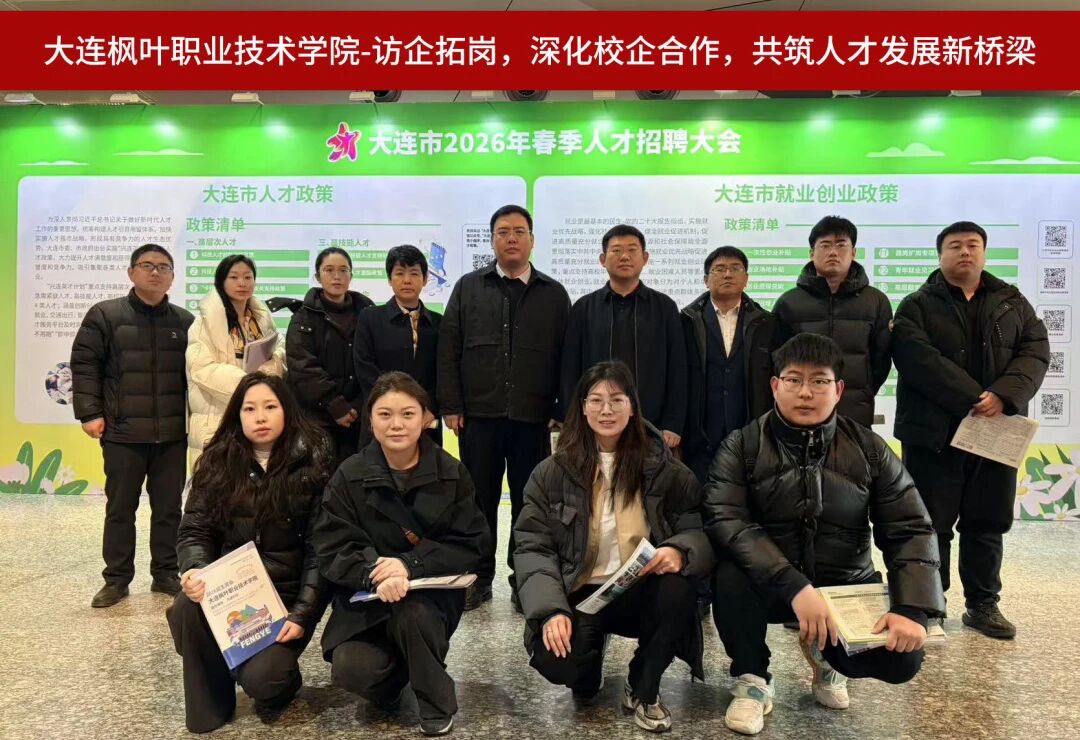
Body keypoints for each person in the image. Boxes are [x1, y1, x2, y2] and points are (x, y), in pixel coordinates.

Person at [703, 333, 945, 736]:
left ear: (838, 390)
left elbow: (909, 526)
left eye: (819, 381)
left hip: (844, 584)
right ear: (775, 385)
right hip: (771, 585)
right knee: (729, 575)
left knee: (902, 661)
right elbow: (726, 520)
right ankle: (753, 678)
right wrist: (795, 585)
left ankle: (828, 660)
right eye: (794, 380)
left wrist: (913, 608)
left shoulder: (869, 448)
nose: (805, 392)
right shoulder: (742, 445)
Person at [514, 361, 714, 733]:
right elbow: (532, 547)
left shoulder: (665, 469)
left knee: (678, 592)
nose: (606, 410)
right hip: (579, 592)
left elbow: (698, 530)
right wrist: (550, 610)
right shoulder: (552, 472)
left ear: (632, 407)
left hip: (638, 587)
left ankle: (644, 685)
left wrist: (679, 550)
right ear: (583, 407)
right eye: (596, 400)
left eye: (617, 400)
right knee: (564, 666)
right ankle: (589, 663)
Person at [892, 221, 1048, 640]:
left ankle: (983, 604)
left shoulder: (1012, 302)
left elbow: (1035, 352)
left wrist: (1003, 396)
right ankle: (930, 604)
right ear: (940, 254)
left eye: (973, 245)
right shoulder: (916, 305)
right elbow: (916, 357)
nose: (965, 252)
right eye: (955, 245)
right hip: (934, 434)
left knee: (987, 521)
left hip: (996, 431)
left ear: (984, 253)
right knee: (930, 523)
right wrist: (974, 398)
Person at [314, 372, 489, 737]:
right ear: (370, 420)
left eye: (408, 414)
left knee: (413, 613)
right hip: (368, 597)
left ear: (426, 418)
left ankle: (436, 704)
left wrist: (408, 565)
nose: (396, 424)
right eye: (385, 414)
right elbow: (333, 545)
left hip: (430, 598)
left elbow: (470, 543)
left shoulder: (450, 473)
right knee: (351, 669)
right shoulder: (349, 475)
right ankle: (404, 674)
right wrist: (374, 573)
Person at [167, 373, 332, 734]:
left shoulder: (314, 463)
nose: (260, 417)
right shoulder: (217, 461)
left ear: (286, 410)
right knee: (185, 607)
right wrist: (194, 569)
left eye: (270, 407)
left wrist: (302, 615)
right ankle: (210, 707)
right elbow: (195, 530)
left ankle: (275, 676)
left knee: (267, 681)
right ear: (237, 415)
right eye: (250, 409)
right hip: (230, 595)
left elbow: (319, 551)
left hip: (282, 603)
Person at [437, 204, 571, 611]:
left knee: (531, 502)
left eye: (519, 231)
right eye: (503, 232)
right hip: (479, 417)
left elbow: (566, 355)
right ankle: (478, 578)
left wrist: (562, 406)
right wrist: (451, 405)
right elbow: (449, 349)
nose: (511, 238)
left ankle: (524, 577)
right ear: (492, 240)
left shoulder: (553, 294)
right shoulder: (468, 287)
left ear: (532, 239)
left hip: (533, 418)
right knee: (478, 499)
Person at [70, 243, 194, 608]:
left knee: (169, 509)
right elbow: (85, 365)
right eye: (147, 265)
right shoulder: (105, 315)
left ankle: (166, 573)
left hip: (172, 435)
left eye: (163, 267)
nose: (155, 272)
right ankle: (116, 579)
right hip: (122, 433)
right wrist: (89, 413)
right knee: (120, 509)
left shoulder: (185, 322)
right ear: (131, 272)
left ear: (172, 276)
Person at [560, 224, 687, 448]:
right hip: (595, 424)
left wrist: (673, 423)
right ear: (602, 259)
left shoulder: (664, 307)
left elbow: (678, 368)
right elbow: (570, 369)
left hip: (652, 425)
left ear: (645, 258)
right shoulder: (584, 308)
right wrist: (570, 419)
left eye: (632, 250)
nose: (625, 257)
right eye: (616, 250)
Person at [772, 216, 892, 428]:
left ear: (853, 252)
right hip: (802, 408)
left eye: (841, 245)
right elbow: (777, 359)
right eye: (825, 245)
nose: (833, 252)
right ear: (811, 253)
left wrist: (862, 391)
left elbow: (881, 359)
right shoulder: (789, 302)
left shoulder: (875, 301)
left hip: (855, 409)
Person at [681, 245, 783, 484]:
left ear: (746, 279)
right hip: (700, 435)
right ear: (706, 280)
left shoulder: (767, 324)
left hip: (751, 431)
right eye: (719, 269)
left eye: (735, 268)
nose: (727, 274)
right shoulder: (685, 322)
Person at [269, 247, 374, 466]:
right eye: (329, 270)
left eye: (343, 270)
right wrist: (335, 404)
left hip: (358, 416)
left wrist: (358, 405)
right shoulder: (303, 317)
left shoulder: (367, 314)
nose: (337, 276)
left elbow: (372, 362)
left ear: (351, 276)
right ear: (318, 276)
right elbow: (303, 367)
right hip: (316, 418)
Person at [187, 254, 285, 462]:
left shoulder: (261, 319)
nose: (242, 283)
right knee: (219, 477)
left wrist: (271, 367)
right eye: (234, 277)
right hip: (217, 415)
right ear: (221, 281)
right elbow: (202, 368)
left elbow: (279, 348)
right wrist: (249, 386)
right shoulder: (204, 322)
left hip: (257, 416)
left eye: (248, 277)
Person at [355, 245, 442, 447]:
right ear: (389, 279)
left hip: (425, 419)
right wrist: (394, 407)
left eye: (414, 273)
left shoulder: (438, 322)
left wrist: (428, 408)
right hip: (382, 416)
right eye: (400, 273)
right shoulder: (370, 318)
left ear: (425, 279)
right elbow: (364, 367)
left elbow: (443, 371)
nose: (407, 280)